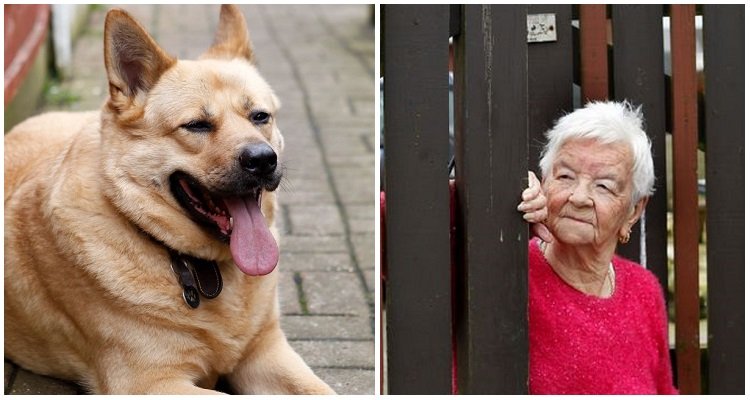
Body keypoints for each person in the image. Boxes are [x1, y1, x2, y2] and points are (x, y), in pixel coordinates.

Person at [517, 101, 678, 394]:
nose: (579, 197)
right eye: (565, 176)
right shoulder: (508, 270)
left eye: (603, 186)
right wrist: (494, 198)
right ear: (543, 182)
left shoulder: (644, 291)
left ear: (633, 211)